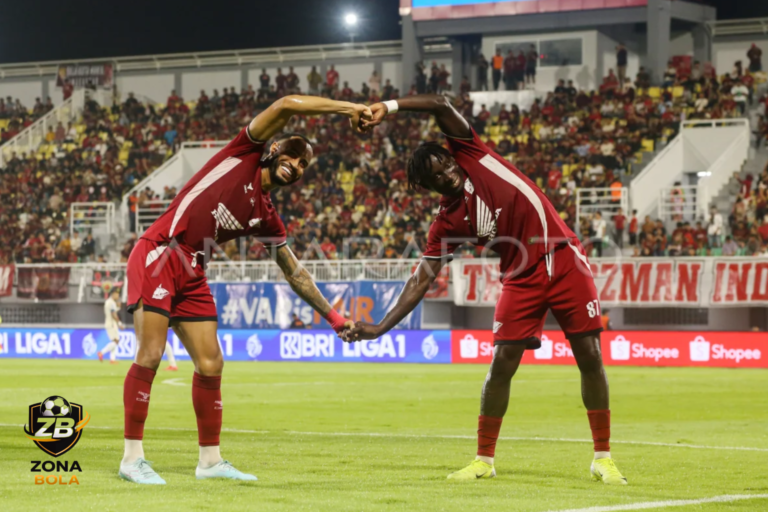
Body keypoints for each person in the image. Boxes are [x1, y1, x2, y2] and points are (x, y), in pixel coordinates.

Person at [347, 94, 627, 485]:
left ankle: (603, 457)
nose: (446, 171)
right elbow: (420, 279)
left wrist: (389, 107)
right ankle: (483, 460)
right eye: (435, 175)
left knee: (590, 355)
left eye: (443, 162)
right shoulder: (446, 223)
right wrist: (380, 327)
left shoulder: (471, 153)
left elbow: (441, 105)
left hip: (563, 259)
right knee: (501, 365)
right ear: (429, 187)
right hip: (520, 277)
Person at [121, 95, 368, 485]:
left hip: (193, 268)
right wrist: (347, 109)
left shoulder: (266, 215)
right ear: (273, 148)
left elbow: (295, 273)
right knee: (150, 354)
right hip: (162, 251)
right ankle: (131, 458)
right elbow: (286, 104)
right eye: (293, 155)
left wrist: (334, 318)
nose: (297, 166)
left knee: (211, 363)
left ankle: (210, 462)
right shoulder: (243, 153)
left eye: (304, 164)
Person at [98, 289, 125, 364]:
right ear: (113, 294)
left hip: (109, 323)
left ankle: (112, 359)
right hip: (112, 324)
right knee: (116, 341)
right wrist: (119, 323)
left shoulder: (108, 302)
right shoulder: (111, 302)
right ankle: (101, 353)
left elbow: (112, 311)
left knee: (115, 341)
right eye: (117, 294)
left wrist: (118, 307)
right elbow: (113, 314)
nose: (118, 296)